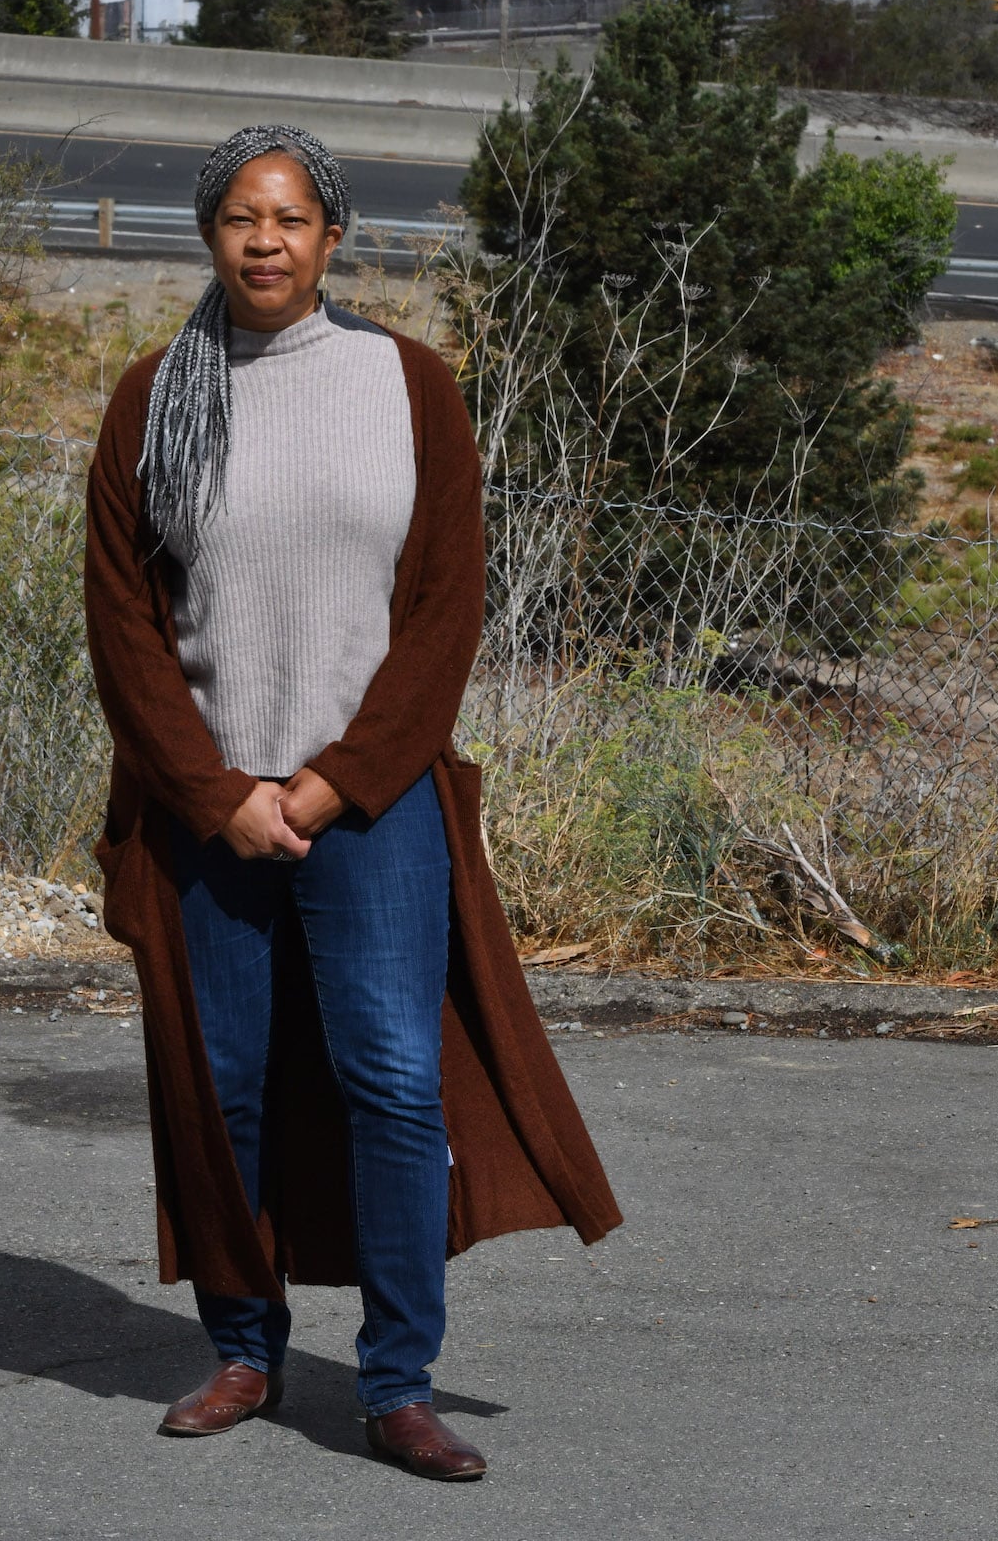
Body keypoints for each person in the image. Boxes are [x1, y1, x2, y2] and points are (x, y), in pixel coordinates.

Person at [84, 124, 621, 1482]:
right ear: (208, 236)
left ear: (334, 237)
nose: (265, 241)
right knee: (229, 1091)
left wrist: (332, 783)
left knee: (392, 1082)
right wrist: (219, 796)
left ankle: (395, 1384)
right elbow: (125, 629)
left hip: (368, 809)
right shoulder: (156, 398)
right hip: (214, 813)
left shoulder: (410, 386)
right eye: (239, 219)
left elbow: (444, 614)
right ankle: (247, 1351)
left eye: (292, 218)